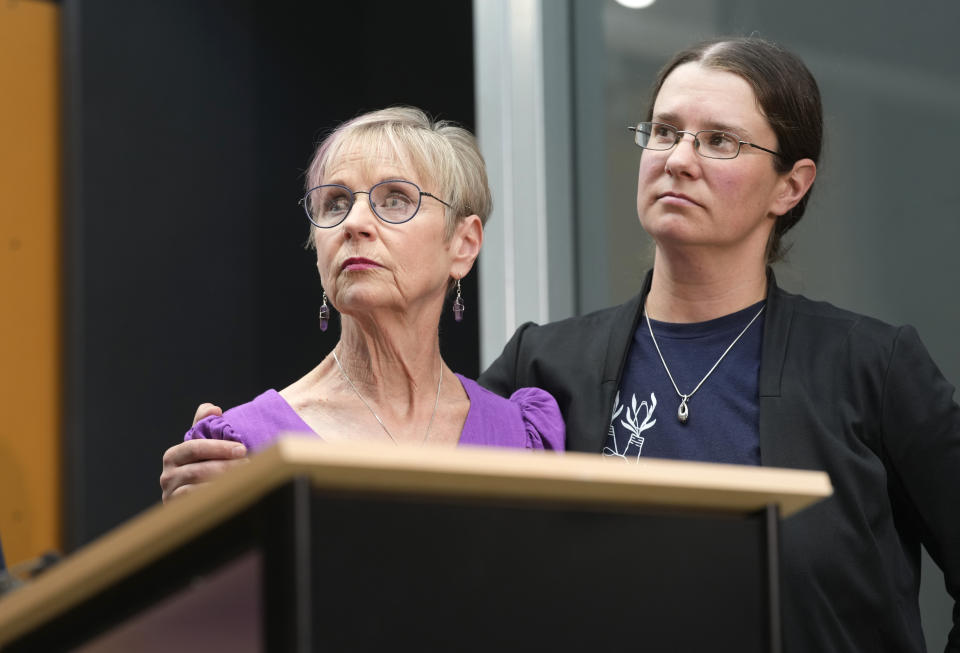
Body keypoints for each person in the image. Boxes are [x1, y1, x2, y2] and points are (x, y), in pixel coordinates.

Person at [164, 39, 960, 652]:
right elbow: (413, 506)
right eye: (665, 130)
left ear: (791, 185)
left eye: (720, 141)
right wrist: (221, 501)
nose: (678, 157)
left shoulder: (872, 366)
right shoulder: (545, 372)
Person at [159, 107, 564, 502]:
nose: (353, 222)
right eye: (335, 202)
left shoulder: (519, 437)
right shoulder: (241, 446)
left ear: (463, 245)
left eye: (395, 199)